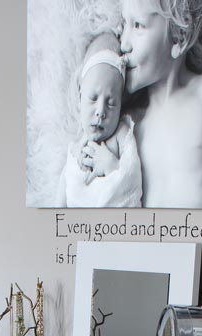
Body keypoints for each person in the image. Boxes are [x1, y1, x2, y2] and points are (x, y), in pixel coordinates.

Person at [119, 0, 202, 208]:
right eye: (122, 25)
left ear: (177, 38)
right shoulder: (127, 125)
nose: (123, 44)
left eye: (137, 25)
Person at [57, 33, 142, 208]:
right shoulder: (76, 148)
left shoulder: (122, 135)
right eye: (93, 98)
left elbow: (132, 182)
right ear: (80, 96)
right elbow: (64, 191)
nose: (100, 112)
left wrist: (111, 166)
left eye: (111, 103)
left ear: (121, 105)